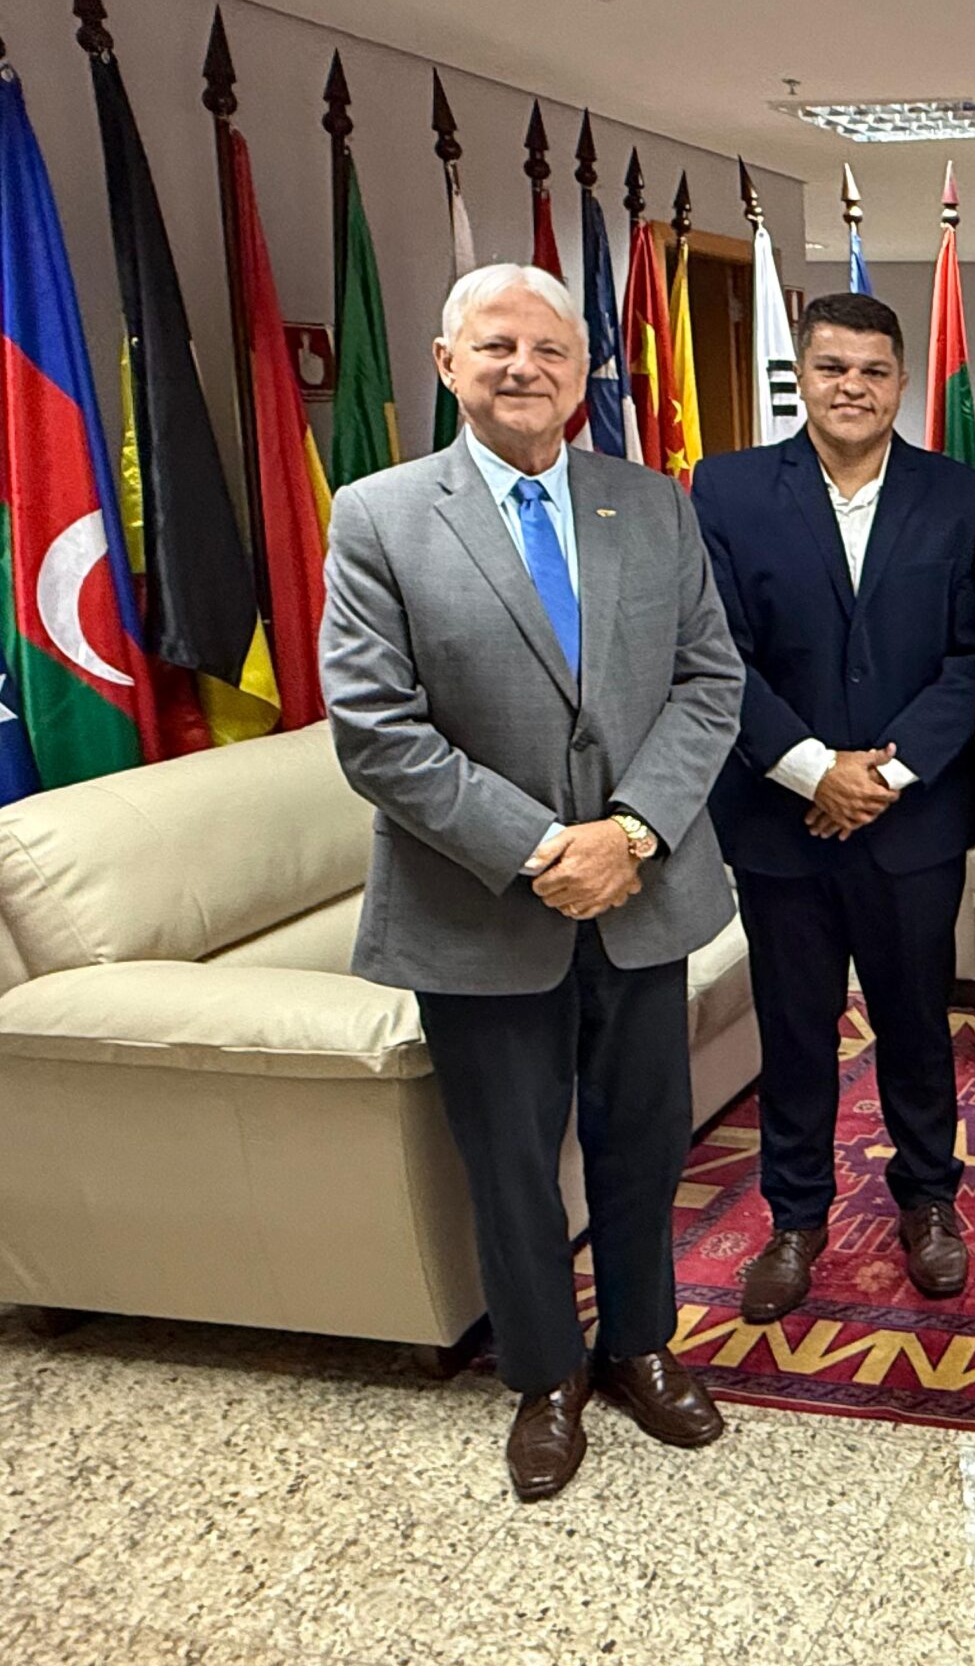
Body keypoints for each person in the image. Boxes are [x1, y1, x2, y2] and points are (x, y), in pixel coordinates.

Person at [321, 264, 743, 1502]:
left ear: (581, 372)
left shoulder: (650, 503)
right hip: (478, 905)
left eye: (551, 349)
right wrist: (546, 848)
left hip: (644, 899)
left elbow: (708, 681)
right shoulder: (381, 515)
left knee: (644, 1143)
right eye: (497, 345)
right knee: (509, 1160)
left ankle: (640, 1345)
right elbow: (376, 730)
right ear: (447, 363)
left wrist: (632, 833)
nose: (525, 368)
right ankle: (544, 1375)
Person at [692, 293, 975, 1319]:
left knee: (917, 1024)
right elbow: (716, 654)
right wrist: (811, 768)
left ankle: (929, 1201)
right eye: (832, 368)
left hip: (913, 821)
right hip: (779, 821)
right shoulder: (727, 489)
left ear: (901, 381)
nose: (852, 388)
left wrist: (881, 778)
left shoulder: (963, 496)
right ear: (802, 377)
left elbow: (972, 660)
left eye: (872, 370)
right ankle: (795, 1218)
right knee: (794, 1031)